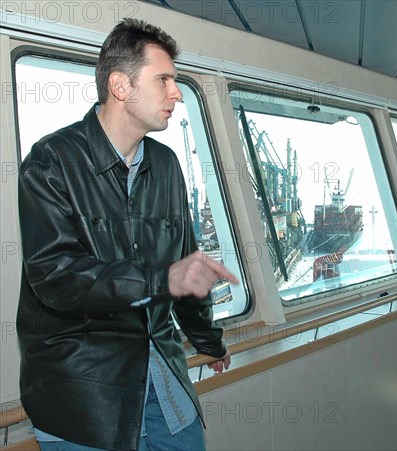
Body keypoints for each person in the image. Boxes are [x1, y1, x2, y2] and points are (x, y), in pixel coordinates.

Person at [17, 19, 238, 451]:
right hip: (86, 395)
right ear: (120, 86)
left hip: (164, 379)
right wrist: (161, 280)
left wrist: (209, 340)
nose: (176, 92)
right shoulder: (51, 162)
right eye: (164, 79)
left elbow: (186, 263)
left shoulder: (167, 164)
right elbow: (55, 276)